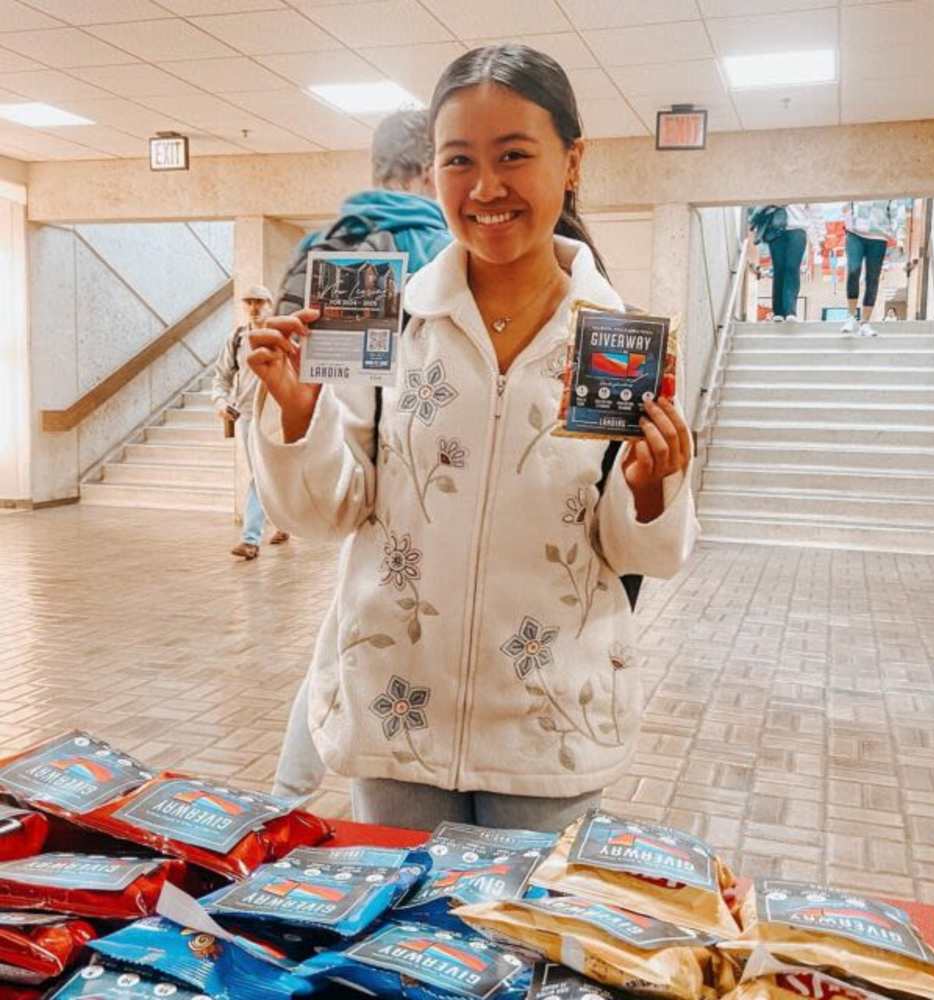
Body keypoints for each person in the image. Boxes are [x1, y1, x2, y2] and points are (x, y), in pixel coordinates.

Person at [250, 45, 698, 831]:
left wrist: (653, 487)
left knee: (520, 949)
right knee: (398, 950)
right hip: (397, 715)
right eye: (459, 161)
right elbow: (327, 514)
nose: (486, 188)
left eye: (514, 156)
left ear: (572, 162)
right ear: (433, 174)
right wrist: (296, 417)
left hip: (550, 730)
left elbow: (642, 556)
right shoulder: (386, 318)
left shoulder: (615, 345)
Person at [269, 110, 453, 805]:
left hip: (338, 471)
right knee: (366, 648)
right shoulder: (443, 247)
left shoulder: (333, 247)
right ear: (433, 168)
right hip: (431, 480)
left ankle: (286, 796)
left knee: (345, 638)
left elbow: (320, 380)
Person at [210, 285, 289, 560]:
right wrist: (221, 403)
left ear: (270, 304)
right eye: (249, 303)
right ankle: (273, 527)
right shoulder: (237, 338)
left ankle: (252, 538)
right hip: (246, 415)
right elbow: (220, 377)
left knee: (267, 473)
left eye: (260, 302)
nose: (254, 308)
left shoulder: (283, 336)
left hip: (278, 417)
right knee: (263, 472)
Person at [840, 200, 904, 337]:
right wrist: (848, 221)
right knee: (853, 271)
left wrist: (900, 238)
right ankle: (850, 317)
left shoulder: (889, 188)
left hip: (878, 237)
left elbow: (897, 213)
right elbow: (845, 204)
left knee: (872, 279)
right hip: (854, 234)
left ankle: (865, 323)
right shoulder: (857, 182)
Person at [762, 203, 824, 322]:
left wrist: (820, 236)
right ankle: (778, 312)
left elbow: (816, 210)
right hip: (775, 229)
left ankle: (791, 311)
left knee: (792, 267)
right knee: (779, 269)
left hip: (798, 229)